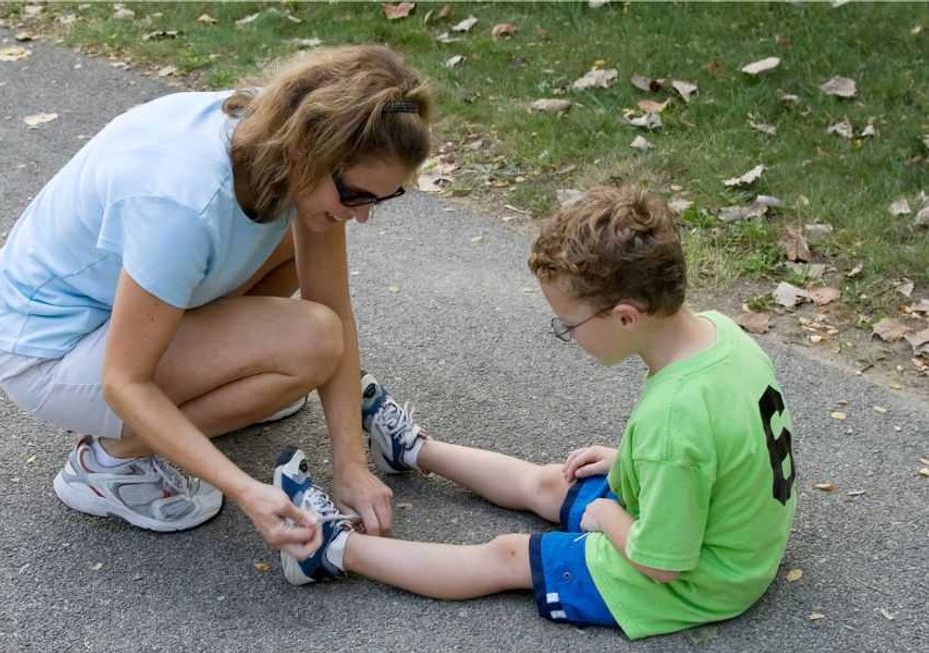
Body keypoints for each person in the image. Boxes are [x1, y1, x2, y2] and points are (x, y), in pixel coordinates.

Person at [276, 186, 798, 640]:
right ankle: (413, 450)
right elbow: (722, 444)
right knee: (553, 483)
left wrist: (604, 516)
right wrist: (629, 459)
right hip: (725, 537)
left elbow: (659, 564)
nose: (567, 337)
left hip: (696, 582)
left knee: (506, 555)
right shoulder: (719, 333)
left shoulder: (674, 423)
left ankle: (329, 548)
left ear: (624, 316)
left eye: (567, 324)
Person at [0, 45, 432, 556]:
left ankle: (226, 382)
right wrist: (246, 490)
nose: (363, 215)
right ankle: (108, 464)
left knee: (311, 295)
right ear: (312, 152)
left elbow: (333, 304)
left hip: (117, 308)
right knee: (311, 342)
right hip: (45, 352)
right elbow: (124, 381)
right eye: (356, 196)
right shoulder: (182, 201)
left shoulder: (287, 131)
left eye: (381, 198)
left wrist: (352, 464)